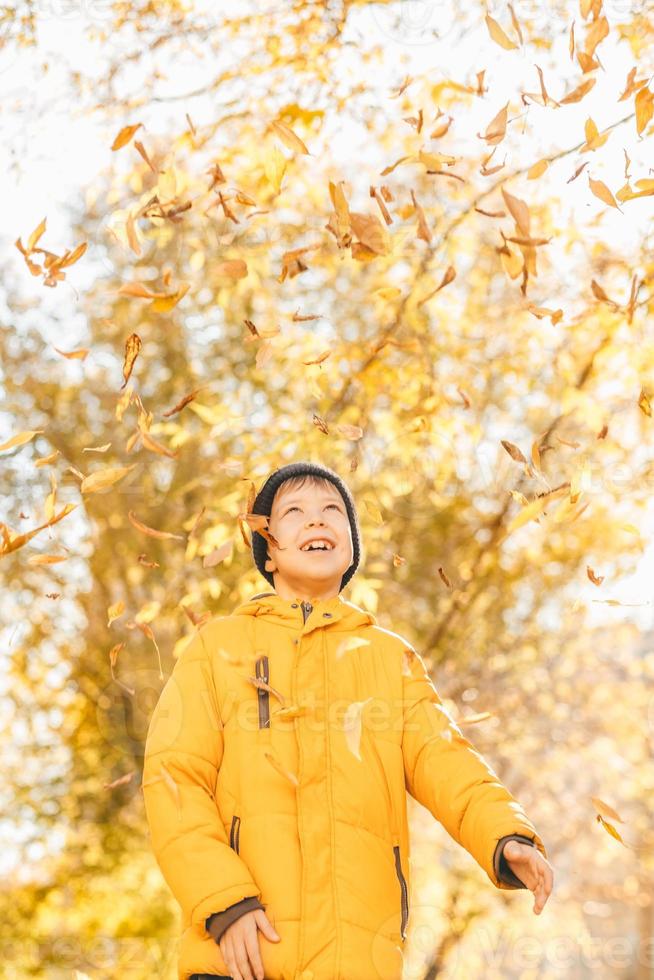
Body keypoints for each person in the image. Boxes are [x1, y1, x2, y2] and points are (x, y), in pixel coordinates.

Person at [142, 460, 553, 980]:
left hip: (358, 959)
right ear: (267, 550)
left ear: (352, 546)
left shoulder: (387, 658)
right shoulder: (219, 648)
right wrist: (224, 899)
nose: (317, 520)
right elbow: (173, 777)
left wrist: (504, 833)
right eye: (294, 512)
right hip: (242, 956)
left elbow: (443, 755)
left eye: (332, 510)